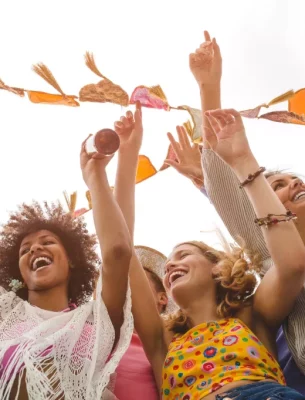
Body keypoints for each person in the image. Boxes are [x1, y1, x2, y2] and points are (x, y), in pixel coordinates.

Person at [117, 101, 305, 398]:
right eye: (168, 264)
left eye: (183, 255)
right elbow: (121, 249)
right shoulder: (161, 337)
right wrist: (126, 162)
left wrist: (243, 160)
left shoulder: (251, 313)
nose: (169, 266)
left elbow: (292, 265)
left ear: (217, 267)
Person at [180, 30, 305, 394]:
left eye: (293, 180)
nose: (294, 185)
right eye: (276, 185)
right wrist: (209, 89)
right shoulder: (272, 261)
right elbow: (229, 187)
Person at [0, 135, 133, 399]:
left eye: (47, 242)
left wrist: (94, 175)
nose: (35, 249)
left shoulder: (97, 320)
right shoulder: (6, 316)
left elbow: (118, 251)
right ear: (20, 275)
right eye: (25, 250)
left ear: (71, 259)